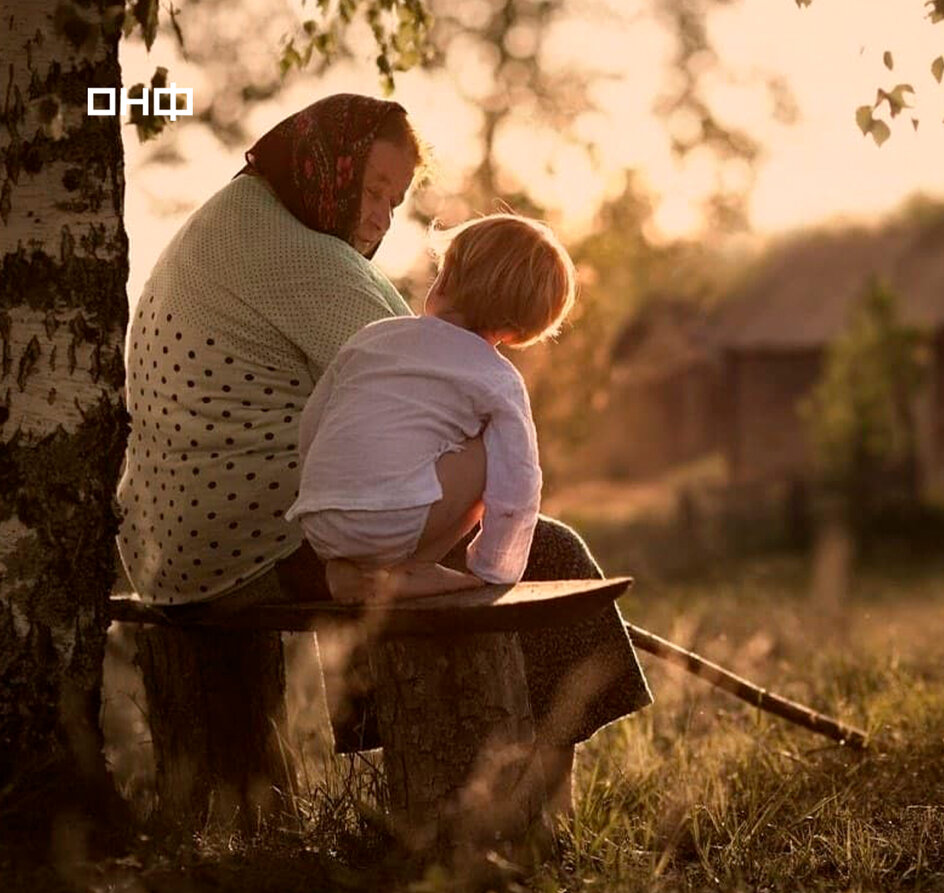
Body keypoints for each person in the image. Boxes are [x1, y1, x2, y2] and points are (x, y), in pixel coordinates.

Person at [115, 93, 651, 814]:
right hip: (251, 549)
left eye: (394, 202)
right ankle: (535, 806)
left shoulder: (236, 220)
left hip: (168, 546)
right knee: (543, 550)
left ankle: (481, 775)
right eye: (371, 190)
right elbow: (432, 397)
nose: (379, 216)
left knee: (425, 525)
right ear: (325, 166)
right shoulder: (307, 262)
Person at [287, 213, 575, 605]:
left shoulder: (372, 338)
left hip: (319, 520)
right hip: (393, 521)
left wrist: (322, 491)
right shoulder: (497, 377)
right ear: (516, 329)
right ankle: (415, 567)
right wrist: (495, 568)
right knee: (492, 453)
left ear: (445, 279)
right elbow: (518, 483)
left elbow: (313, 424)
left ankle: (348, 571)